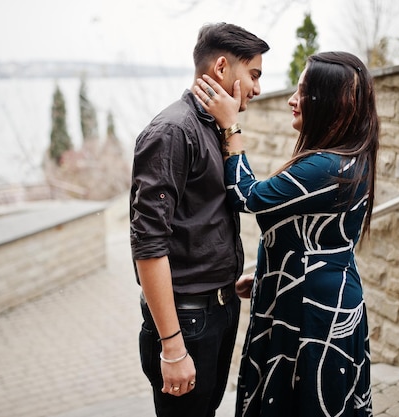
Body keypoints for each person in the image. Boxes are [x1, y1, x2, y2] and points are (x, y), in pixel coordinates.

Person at [193, 51, 378, 416]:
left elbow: (248, 196)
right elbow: (308, 232)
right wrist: (268, 275)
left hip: (313, 313)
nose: (292, 100)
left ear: (331, 102)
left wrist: (231, 126)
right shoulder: (344, 157)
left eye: (303, 91)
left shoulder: (328, 166)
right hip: (300, 294)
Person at [130, 22, 270, 417]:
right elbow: (148, 243)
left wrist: (225, 274)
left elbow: (208, 216)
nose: (258, 89)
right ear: (222, 67)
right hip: (188, 320)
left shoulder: (216, 126)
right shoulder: (173, 131)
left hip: (221, 309)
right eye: (254, 74)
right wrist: (172, 347)